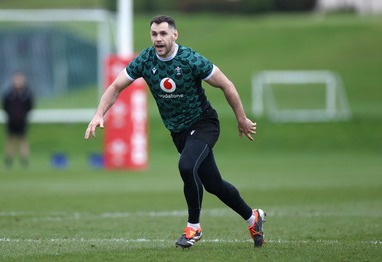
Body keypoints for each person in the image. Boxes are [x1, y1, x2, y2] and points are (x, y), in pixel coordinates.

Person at [85, 15, 266, 248]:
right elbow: (116, 86)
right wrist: (100, 113)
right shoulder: (145, 60)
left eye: (163, 33)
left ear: (174, 34)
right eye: (154, 34)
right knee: (213, 184)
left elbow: (226, 84)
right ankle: (254, 218)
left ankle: (194, 228)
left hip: (203, 124)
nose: (158, 39)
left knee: (187, 166)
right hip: (179, 132)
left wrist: (241, 118)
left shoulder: (190, 59)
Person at [2, 72, 34, 168]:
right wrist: (10, 114)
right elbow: (4, 106)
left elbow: (30, 106)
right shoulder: (9, 93)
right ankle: (9, 160)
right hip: (11, 120)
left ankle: (24, 160)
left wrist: (24, 115)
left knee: (23, 140)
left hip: (22, 120)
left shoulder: (26, 93)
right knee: (10, 140)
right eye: (16, 79)